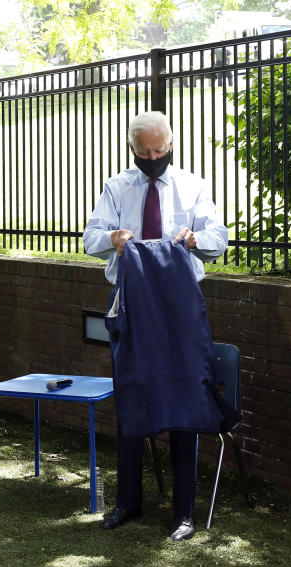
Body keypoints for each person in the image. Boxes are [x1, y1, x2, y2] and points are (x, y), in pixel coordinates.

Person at [82, 110, 230, 541]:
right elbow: (89, 237)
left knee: (185, 398)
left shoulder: (193, 186)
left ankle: (183, 513)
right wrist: (112, 239)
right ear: (132, 148)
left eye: (160, 150)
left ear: (171, 143)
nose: (153, 157)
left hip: (180, 307)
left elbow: (219, 239)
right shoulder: (117, 187)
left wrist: (194, 239)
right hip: (130, 303)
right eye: (144, 151)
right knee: (132, 394)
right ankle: (127, 502)